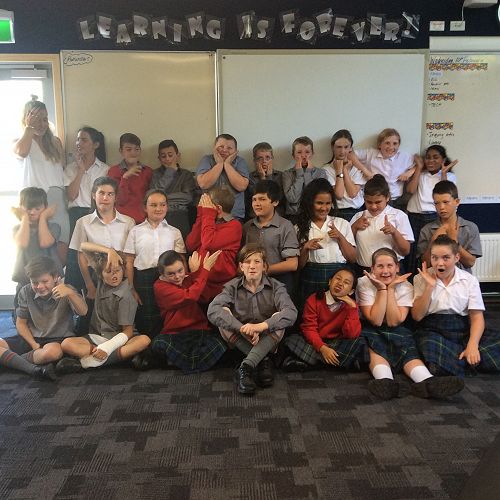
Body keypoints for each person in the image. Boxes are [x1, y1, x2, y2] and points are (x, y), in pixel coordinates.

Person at [357, 248, 464, 400]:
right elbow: (376, 320)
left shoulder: (405, 286)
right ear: (372, 269)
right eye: (380, 266)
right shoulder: (363, 282)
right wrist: (381, 289)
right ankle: (385, 381)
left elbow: (394, 321)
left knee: (408, 352)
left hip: (398, 329)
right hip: (372, 329)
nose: (385, 271)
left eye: (390, 266)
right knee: (375, 349)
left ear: (397, 267)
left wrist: (391, 289)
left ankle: (428, 382)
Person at [208, 244, 297, 395]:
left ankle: (246, 367)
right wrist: (242, 328)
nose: (252, 266)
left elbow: (291, 312)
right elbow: (212, 310)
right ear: (241, 266)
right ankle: (263, 360)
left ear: (264, 266)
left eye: (257, 261)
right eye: (247, 262)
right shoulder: (231, 287)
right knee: (223, 314)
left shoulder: (277, 287)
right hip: (242, 336)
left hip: (267, 335)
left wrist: (261, 326)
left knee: (280, 318)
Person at [412, 235, 500, 377]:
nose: (439, 263)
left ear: (456, 257)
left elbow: (477, 318)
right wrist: (429, 287)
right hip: (432, 329)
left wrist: (472, 345)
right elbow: (417, 316)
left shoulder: (469, 280)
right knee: (429, 346)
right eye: (435, 258)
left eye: (446, 258)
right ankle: (464, 362)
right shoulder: (420, 278)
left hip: (462, 328)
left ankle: (453, 361)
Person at [57, 243, 151, 373]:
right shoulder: (101, 282)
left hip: (120, 339)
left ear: (123, 270)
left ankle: (89, 362)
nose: (114, 275)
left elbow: (128, 332)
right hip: (96, 337)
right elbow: (83, 247)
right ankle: (109, 358)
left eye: (117, 270)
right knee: (66, 344)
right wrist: (109, 251)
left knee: (144, 340)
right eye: (108, 271)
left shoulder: (126, 295)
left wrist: (107, 348)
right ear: (100, 274)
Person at [0, 256, 87, 380]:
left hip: (56, 340)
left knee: (52, 353)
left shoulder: (66, 290)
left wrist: (70, 293)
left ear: (55, 277)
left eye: (45, 281)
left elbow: (83, 312)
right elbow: (21, 323)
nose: (40, 286)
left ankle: (11, 361)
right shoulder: (25, 291)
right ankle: (19, 362)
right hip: (32, 338)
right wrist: (33, 344)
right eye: (34, 282)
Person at [69, 176, 135, 334]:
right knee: (92, 321)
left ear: (115, 197)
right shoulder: (83, 222)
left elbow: (129, 257)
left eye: (110, 194)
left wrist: (130, 285)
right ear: (94, 195)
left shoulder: (128, 222)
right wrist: (89, 285)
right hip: (95, 276)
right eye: (101, 193)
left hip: (120, 276)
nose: (105, 198)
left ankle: (120, 345)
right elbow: (81, 255)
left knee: (121, 319)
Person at [13, 98, 69, 265]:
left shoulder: (55, 142)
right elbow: (21, 152)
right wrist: (29, 128)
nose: (42, 124)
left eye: (44, 119)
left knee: (61, 252)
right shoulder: (21, 141)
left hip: (58, 201)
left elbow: (62, 170)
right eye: (36, 119)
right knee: (37, 253)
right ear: (26, 119)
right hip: (35, 203)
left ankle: (59, 280)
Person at [123, 189, 185, 338]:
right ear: (145, 207)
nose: (158, 209)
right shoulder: (135, 231)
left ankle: (165, 347)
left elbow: (181, 260)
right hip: (143, 279)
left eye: (162, 205)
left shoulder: (174, 231)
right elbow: (129, 261)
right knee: (146, 317)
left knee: (168, 316)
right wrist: (131, 288)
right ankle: (147, 348)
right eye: (153, 205)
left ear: (167, 207)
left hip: (169, 278)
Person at [152, 249, 226, 373]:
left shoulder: (188, 278)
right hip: (175, 334)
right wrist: (205, 270)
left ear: (184, 266)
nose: (177, 276)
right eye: (171, 274)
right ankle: (196, 363)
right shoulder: (159, 287)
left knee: (220, 342)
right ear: (162, 273)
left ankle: (185, 363)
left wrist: (196, 273)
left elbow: (204, 296)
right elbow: (190, 296)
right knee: (158, 343)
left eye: (180, 271)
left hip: (199, 330)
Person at [283, 267, 364, 372]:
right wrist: (322, 348)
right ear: (330, 282)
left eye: (346, 282)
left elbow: (351, 335)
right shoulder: (314, 299)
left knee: (359, 342)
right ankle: (335, 363)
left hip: (336, 342)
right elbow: (309, 329)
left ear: (351, 291)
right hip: (315, 341)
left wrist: (352, 308)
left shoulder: (351, 306)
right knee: (291, 340)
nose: (340, 283)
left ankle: (311, 363)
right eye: (338, 279)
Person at [296, 178, 356, 304]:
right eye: (319, 203)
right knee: (310, 311)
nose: (324, 208)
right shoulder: (299, 227)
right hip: (310, 276)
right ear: (310, 203)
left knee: (336, 312)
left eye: (328, 203)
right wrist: (306, 248)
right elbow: (299, 265)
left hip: (338, 277)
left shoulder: (342, 223)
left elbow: (352, 258)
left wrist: (340, 237)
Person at [64, 126, 109, 289]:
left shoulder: (105, 169)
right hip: (75, 215)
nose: (78, 143)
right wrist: (81, 170)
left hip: (95, 214)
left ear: (95, 145)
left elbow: (105, 198)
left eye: (83, 140)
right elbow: (71, 195)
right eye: (77, 139)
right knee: (74, 257)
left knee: (94, 256)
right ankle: (73, 297)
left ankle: (94, 294)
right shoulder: (71, 168)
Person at [405, 145, 458, 275]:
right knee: (413, 251)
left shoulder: (449, 176)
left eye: (435, 157)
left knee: (433, 248)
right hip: (415, 216)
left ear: (443, 160)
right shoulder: (421, 174)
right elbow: (410, 190)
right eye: (428, 158)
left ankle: (428, 276)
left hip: (434, 216)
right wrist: (418, 168)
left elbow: (445, 190)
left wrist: (443, 173)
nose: (431, 161)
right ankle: (412, 279)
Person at [242, 180, 299, 296]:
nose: (257, 203)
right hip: (252, 284)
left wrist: (262, 269)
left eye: (262, 199)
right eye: (254, 199)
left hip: (279, 283)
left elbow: (292, 264)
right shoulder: (247, 227)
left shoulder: (285, 226)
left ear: (275, 202)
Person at [185, 188, 242, 303]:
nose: (205, 208)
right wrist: (201, 216)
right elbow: (191, 244)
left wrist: (208, 215)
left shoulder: (234, 225)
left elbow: (208, 243)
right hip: (200, 281)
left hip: (221, 287)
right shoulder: (207, 219)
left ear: (218, 209)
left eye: (207, 205)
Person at [11, 187, 62, 309]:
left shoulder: (54, 227)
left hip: (49, 280)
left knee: (52, 310)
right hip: (25, 278)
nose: (32, 212)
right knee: (23, 310)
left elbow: (45, 242)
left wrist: (43, 218)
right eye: (28, 209)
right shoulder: (17, 229)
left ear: (45, 208)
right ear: (21, 208)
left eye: (37, 209)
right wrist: (24, 218)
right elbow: (22, 243)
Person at [350, 174, 413, 273]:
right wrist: (354, 227)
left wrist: (394, 232)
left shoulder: (398, 215)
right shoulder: (358, 217)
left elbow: (406, 251)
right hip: (363, 270)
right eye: (369, 202)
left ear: (387, 197)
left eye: (378, 202)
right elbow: (348, 247)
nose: (373, 206)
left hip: (390, 272)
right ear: (364, 199)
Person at [417, 181, 481, 273]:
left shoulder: (470, 228)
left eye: (446, 202)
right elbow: (425, 264)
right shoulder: (427, 229)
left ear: (457, 202)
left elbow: (470, 263)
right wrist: (433, 241)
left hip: (462, 278)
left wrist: (455, 241)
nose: (441, 207)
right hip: (435, 278)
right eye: (437, 203)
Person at [350, 128, 416, 210]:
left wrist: (409, 173)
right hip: (374, 200)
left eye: (395, 143)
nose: (391, 147)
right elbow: (350, 154)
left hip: (396, 201)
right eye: (387, 143)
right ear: (379, 145)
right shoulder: (371, 154)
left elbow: (420, 163)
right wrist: (365, 171)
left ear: (399, 145)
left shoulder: (404, 157)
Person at [150, 139, 198, 239]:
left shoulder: (186, 174)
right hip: (159, 215)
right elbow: (154, 197)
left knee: (180, 245)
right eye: (163, 156)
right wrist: (170, 172)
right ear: (159, 158)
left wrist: (162, 198)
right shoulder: (155, 174)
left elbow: (188, 198)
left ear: (178, 155)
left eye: (170, 155)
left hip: (180, 215)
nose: (167, 159)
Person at [196, 133, 249, 221]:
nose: (224, 150)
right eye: (221, 146)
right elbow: (203, 184)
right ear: (214, 148)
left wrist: (227, 165)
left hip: (234, 216)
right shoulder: (207, 160)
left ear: (235, 151)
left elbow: (241, 186)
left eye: (229, 148)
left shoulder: (240, 162)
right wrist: (220, 164)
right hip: (209, 214)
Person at [322, 130, 369, 221]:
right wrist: (339, 171)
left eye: (346, 147)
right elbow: (339, 195)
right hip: (337, 212)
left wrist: (345, 171)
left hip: (358, 211)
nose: (342, 151)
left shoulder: (357, 168)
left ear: (350, 148)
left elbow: (352, 193)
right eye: (338, 147)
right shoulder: (326, 170)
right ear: (332, 147)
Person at [108, 133, 153, 224]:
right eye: (128, 149)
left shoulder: (148, 171)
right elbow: (119, 200)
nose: (133, 153)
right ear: (121, 151)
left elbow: (152, 199)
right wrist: (125, 177)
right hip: (120, 221)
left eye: (137, 149)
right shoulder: (113, 171)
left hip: (143, 220)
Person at [282, 136, 327, 221]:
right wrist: (299, 175)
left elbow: (314, 197)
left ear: (312, 154)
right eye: (299, 152)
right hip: (293, 216)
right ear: (293, 155)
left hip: (314, 215)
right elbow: (293, 199)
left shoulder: (321, 173)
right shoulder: (287, 174)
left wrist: (307, 173)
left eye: (307, 152)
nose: (303, 156)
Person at [245, 142, 285, 219]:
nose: (264, 161)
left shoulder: (280, 176)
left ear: (272, 159)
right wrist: (262, 178)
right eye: (260, 158)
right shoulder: (250, 177)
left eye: (267, 157)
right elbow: (258, 197)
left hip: (277, 215)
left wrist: (269, 177)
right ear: (254, 160)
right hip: (256, 216)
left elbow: (276, 198)